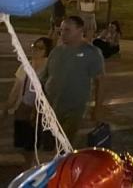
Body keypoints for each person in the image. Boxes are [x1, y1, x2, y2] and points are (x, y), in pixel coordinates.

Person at [43, 16, 105, 144]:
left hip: (74, 108)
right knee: (47, 142)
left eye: (67, 30)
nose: (62, 34)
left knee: (64, 143)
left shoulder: (91, 53)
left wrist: (97, 109)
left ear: (80, 30)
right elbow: (45, 77)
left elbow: (101, 82)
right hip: (51, 106)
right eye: (61, 30)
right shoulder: (56, 51)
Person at [4, 37, 54, 167]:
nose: (35, 50)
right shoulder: (25, 65)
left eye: (40, 48)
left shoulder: (49, 68)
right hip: (22, 109)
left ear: (47, 51)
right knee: (22, 144)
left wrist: (39, 110)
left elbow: (50, 91)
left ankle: (33, 166)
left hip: (38, 112)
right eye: (34, 46)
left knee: (33, 144)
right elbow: (16, 89)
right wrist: (7, 107)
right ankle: (32, 164)